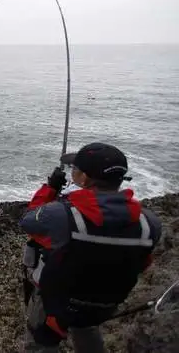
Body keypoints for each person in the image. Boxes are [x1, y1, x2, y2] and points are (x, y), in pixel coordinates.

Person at [20, 143, 162, 352]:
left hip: (57, 305)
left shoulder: (63, 215)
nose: (73, 172)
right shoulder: (149, 222)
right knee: (86, 330)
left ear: (83, 179)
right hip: (103, 306)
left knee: (40, 342)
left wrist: (51, 188)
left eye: (74, 169)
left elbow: (28, 221)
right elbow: (143, 262)